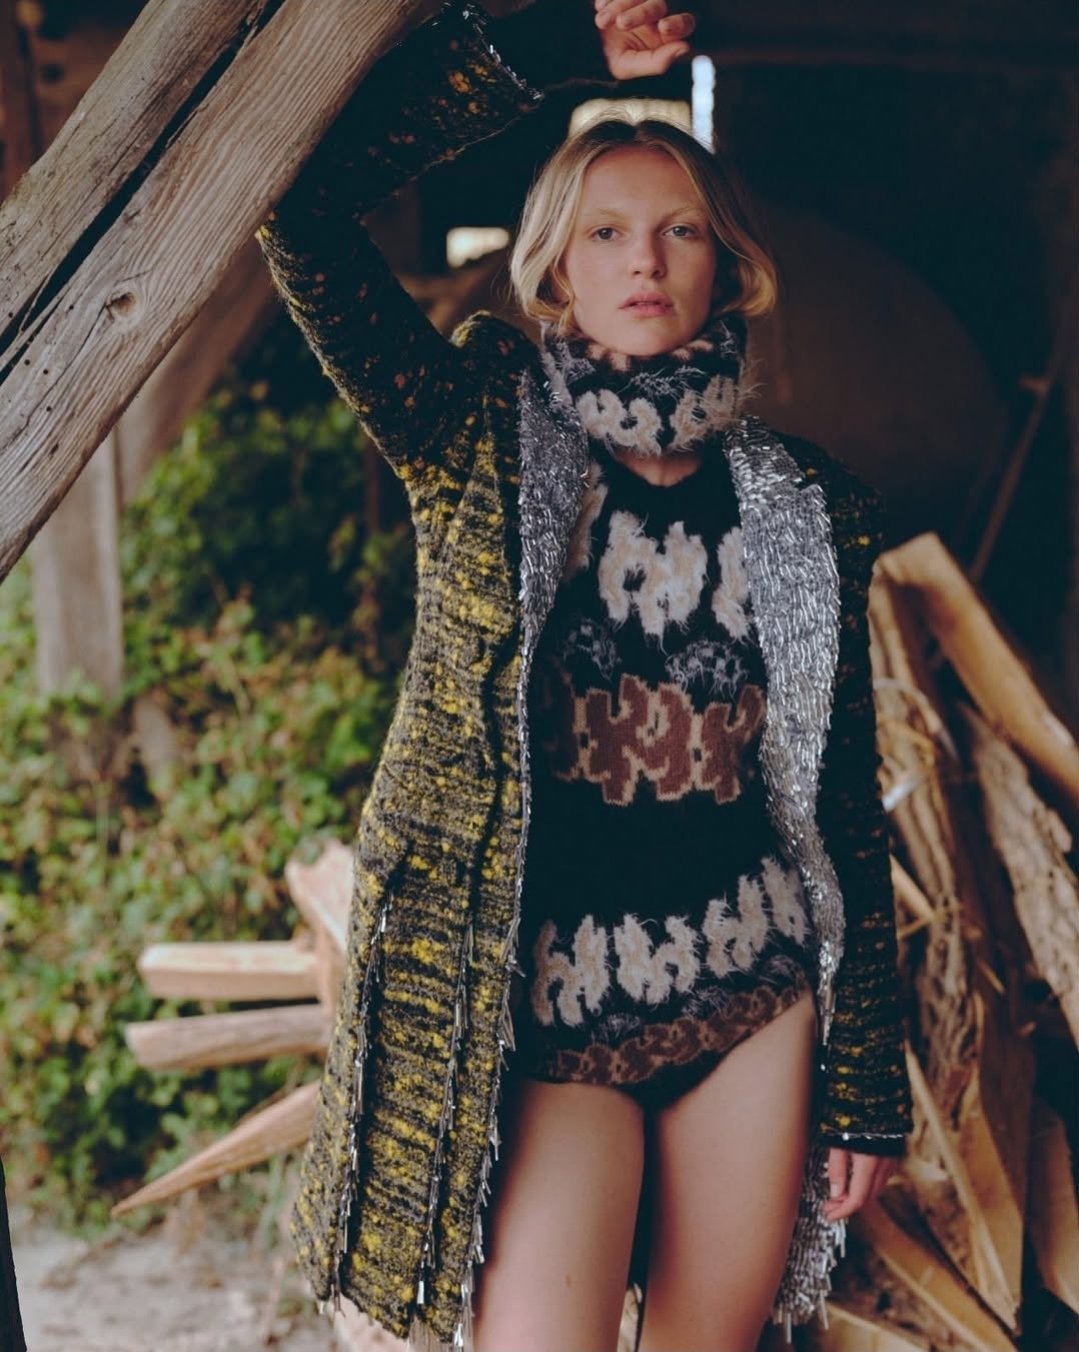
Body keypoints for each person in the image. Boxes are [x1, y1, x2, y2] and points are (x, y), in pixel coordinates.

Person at [254, 2, 915, 1349]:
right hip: (552, 1027)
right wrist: (552, 48)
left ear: (729, 267)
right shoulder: (470, 449)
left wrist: (866, 1084)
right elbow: (300, 219)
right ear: (554, 270)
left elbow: (842, 810)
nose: (645, 261)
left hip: (752, 1004)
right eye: (606, 231)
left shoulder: (807, 512)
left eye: (679, 230)